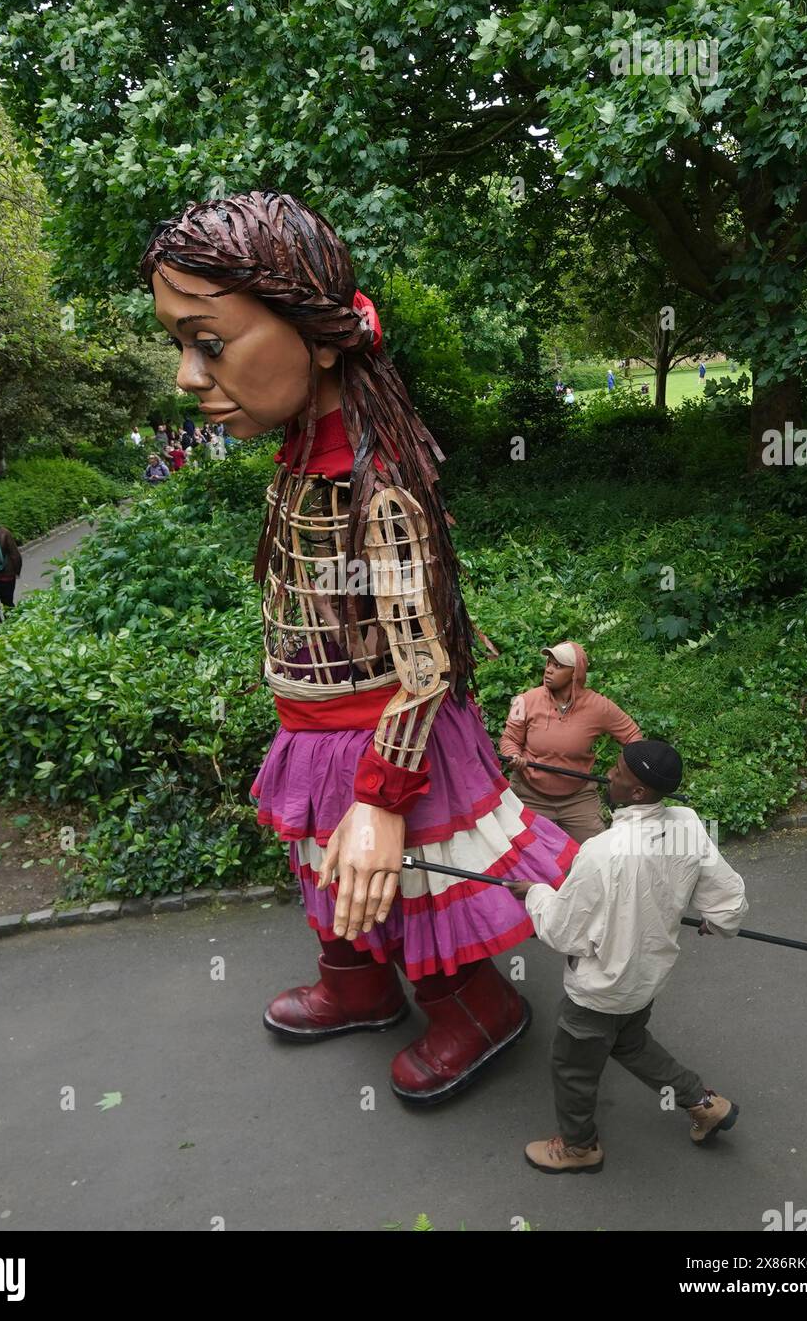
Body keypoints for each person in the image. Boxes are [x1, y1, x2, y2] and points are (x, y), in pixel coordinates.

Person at [140, 190, 581, 1105]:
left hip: (392, 743)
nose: (188, 375)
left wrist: (381, 800)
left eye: (210, 342)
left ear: (321, 334)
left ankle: (476, 1007)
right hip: (314, 731)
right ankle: (358, 984)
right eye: (180, 343)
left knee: (412, 880)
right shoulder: (301, 456)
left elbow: (428, 664)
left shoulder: (380, 489)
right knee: (333, 876)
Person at [508, 740, 749, 1175]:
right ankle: (703, 1103)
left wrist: (537, 893)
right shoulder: (686, 824)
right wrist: (717, 922)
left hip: (600, 991)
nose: (609, 773)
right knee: (630, 1042)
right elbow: (728, 904)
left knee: (572, 1069)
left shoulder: (602, 852)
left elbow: (561, 932)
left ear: (637, 792)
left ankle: (580, 1148)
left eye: (617, 770)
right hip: (645, 980)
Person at [500, 641, 642, 843]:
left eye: (558, 666)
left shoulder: (598, 706)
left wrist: (623, 773)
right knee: (521, 853)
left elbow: (633, 736)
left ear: (575, 674)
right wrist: (514, 755)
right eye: (548, 663)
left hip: (578, 797)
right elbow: (510, 738)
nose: (549, 670)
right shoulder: (525, 700)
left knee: (599, 850)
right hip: (529, 794)